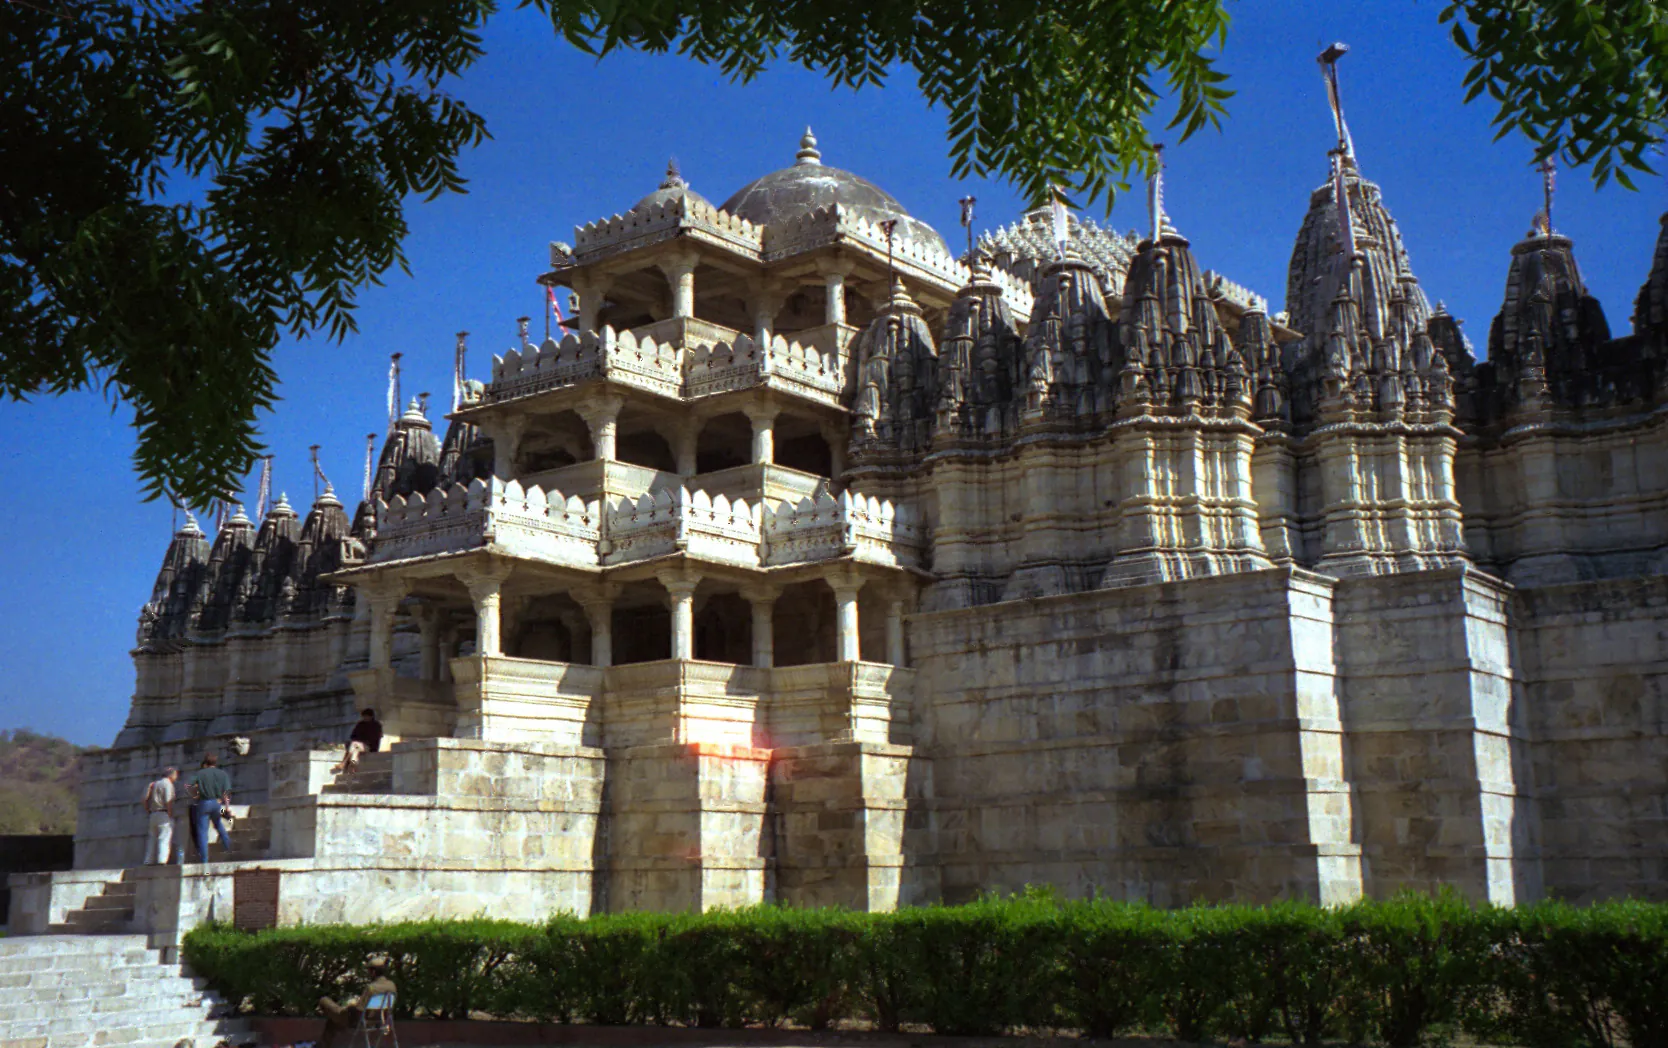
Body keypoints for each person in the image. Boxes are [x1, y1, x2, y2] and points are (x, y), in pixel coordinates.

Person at [318, 955, 398, 1048]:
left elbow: (359, 1009)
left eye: (369, 971)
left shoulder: (372, 988)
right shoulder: (392, 986)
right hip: (380, 1021)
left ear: (373, 972)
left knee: (324, 1001)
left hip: (357, 1020)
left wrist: (350, 1006)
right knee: (332, 1021)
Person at [184, 753, 233, 864]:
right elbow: (227, 792)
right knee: (219, 825)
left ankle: (204, 859)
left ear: (206, 763)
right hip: (216, 803)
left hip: (203, 803)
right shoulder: (222, 774)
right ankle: (228, 847)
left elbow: (187, 785)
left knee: (202, 831)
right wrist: (227, 807)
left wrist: (195, 795)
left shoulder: (200, 773)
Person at [141, 766, 178, 865]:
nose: (176, 777)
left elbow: (144, 799)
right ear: (171, 775)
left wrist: (148, 810)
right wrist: (170, 814)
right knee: (164, 837)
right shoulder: (168, 784)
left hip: (153, 813)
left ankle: (148, 860)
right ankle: (162, 860)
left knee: (152, 838)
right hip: (164, 813)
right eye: (175, 775)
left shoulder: (153, 784)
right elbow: (168, 801)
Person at [333, 707, 384, 774]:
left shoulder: (376, 725)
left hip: (370, 747)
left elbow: (375, 738)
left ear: (371, 716)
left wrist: (363, 741)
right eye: (364, 716)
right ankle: (353, 764)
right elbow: (353, 736)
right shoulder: (360, 724)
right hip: (358, 745)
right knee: (355, 748)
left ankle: (344, 763)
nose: (365, 718)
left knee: (355, 745)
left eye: (366, 716)